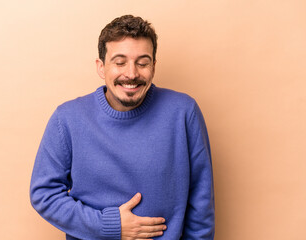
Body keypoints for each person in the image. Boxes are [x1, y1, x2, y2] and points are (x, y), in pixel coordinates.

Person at [30, 15, 215, 239]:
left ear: (154, 67)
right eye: (119, 62)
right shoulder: (67, 118)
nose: (131, 73)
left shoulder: (184, 112)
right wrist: (109, 225)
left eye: (143, 62)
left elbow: (201, 201)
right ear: (101, 67)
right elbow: (44, 194)